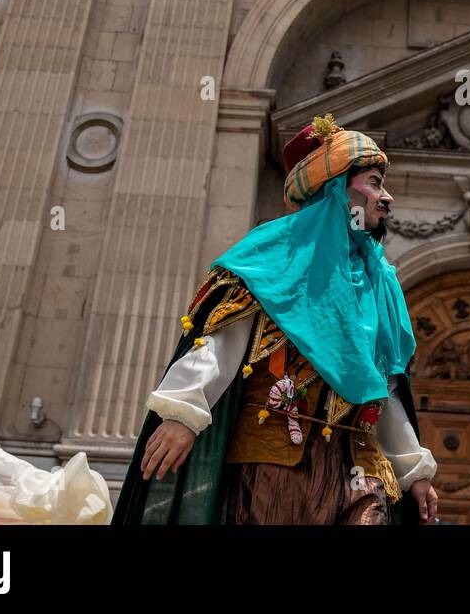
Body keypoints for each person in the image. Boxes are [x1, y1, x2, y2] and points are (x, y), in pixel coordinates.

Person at [114, 115, 439, 525]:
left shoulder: (380, 281)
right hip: (273, 467)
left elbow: (383, 387)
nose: (386, 197)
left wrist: (413, 469)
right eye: (374, 183)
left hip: (360, 471)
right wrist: (183, 413)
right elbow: (219, 344)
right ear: (336, 186)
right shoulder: (273, 258)